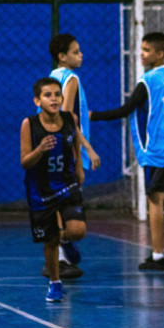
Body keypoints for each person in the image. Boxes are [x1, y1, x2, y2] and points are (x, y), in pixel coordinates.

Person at [90, 32, 164, 271]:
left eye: (146, 50)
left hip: (158, 147)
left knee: (155, 199)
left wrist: (93, 116)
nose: (141, 54)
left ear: (159, 54)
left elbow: (126, 109)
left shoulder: (147, 81)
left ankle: (157, 256)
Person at [21, 77, 88, 303]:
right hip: (41, 191)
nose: (54, 99)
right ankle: (55, 283)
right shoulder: (29, 125)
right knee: (50, 241)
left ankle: (67, 240)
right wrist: (40, 149)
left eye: (57, 94)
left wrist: (79, 167)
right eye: (48, 95)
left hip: (67, 183)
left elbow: (75, 144)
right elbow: (25, 162)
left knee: (78, 230)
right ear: (37, 100)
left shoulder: (70, 119)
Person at [46, 33, 100, 273]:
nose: (81, 55)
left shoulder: (52, 76)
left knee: (56, 203)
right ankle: (59, 254)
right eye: (76, 52)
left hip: (51, 147)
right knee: (65, 203)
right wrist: (86, 149)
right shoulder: (71, 79)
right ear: (62, 56)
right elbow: (65, 117)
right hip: (64, 148)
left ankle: (60, 253)